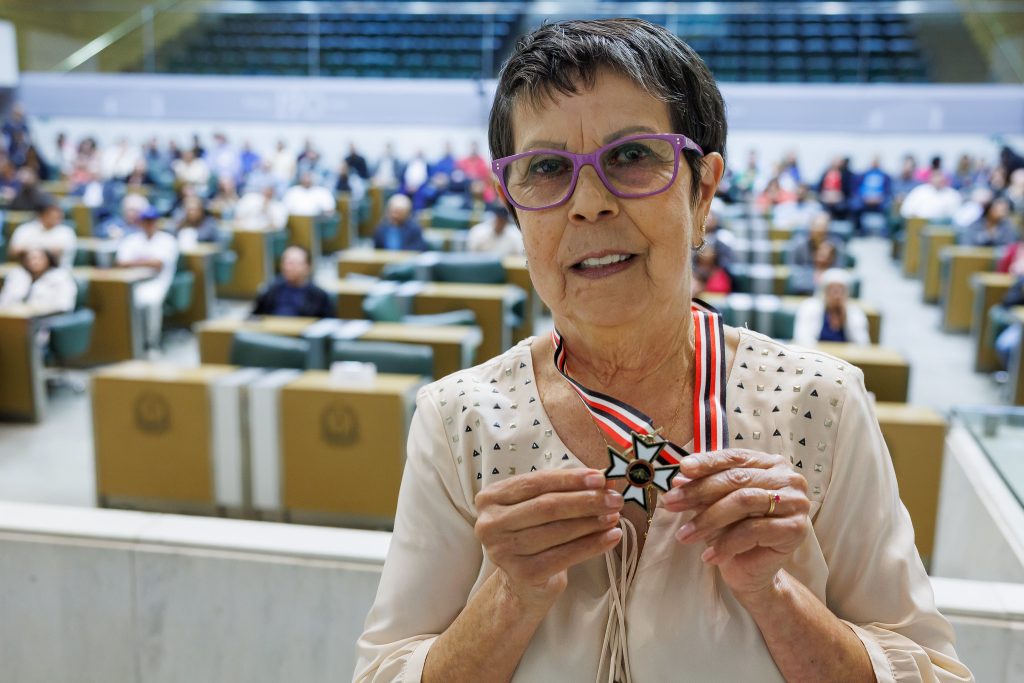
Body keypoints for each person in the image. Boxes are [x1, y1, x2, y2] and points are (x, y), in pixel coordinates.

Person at [355, 18, 970, 683]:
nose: (587, 204)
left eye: (631, 157)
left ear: (702, 192)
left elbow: (937, 672)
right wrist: (511, 596)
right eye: (545, 168)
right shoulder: (458, 422)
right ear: (514, 209)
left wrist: (776, 595)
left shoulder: (819, 406)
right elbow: (383, 670)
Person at [115, 207, 178, 351]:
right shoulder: (132, 239)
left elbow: (158, 265)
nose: (149, 224)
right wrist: (146, 261)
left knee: (149, 302)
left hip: (157, 281)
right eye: (146, 221)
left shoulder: (167, 240)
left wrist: (134, 263)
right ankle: (129, 342)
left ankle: (151, 343)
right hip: (131, 281)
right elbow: (120, 263)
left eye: (152, 221)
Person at [251, 245, 334, 318]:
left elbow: (328, 323)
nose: (288, 268)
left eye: (293, 264)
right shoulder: (271, 289)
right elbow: (255, 317)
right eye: (286, 263)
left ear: (308, 267)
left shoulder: (319, 296)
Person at [793, 268, 870, 346]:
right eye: (833, 290)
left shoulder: (855, 312)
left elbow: (863, 344)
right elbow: (801, 339)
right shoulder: (809, 307)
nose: (837, 295)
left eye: (841, 290)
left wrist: (846, 317)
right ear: (823, 291)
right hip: (817, 356)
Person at [0, 248, 77, 315]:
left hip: (48, 322)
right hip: (16, 320)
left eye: (39, 258)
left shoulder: (61, 277)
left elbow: (64, 306)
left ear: (48, 259)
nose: (34, 261)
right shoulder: (17, 275)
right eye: (30, 258)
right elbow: (4, 302)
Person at [9, 202, 77, 270]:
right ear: (41, 215)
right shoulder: (25, 229)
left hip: (57, 271)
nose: (55, 218)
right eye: (51, 215)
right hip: (25, 271)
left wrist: (31, 249)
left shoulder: (66, 232)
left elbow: (57, 252)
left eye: (58, 216)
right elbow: (14, 251)